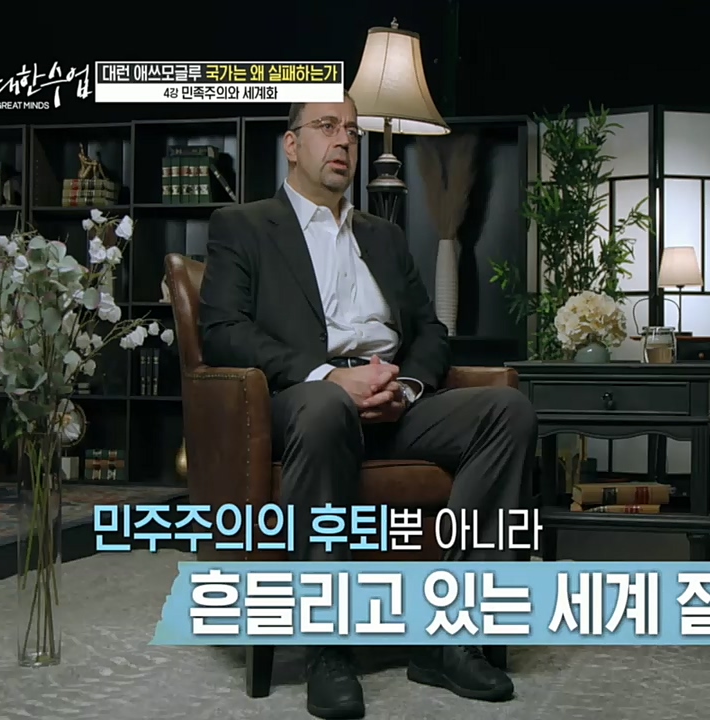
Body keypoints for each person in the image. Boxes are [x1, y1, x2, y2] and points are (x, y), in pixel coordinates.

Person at [198, 93, 537, 719]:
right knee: (326, 408)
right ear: (292, 144)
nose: (344, 141)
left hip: (393, 399)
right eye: (327, 126)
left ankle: (450, 636)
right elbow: (222, 331)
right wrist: (329, 376)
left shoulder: (383, 235)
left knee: (507, 412)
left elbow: (430, 330)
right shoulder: (243, 225)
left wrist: (405, 389)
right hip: (304, 401)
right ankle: (327, 647)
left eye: (352, 131)